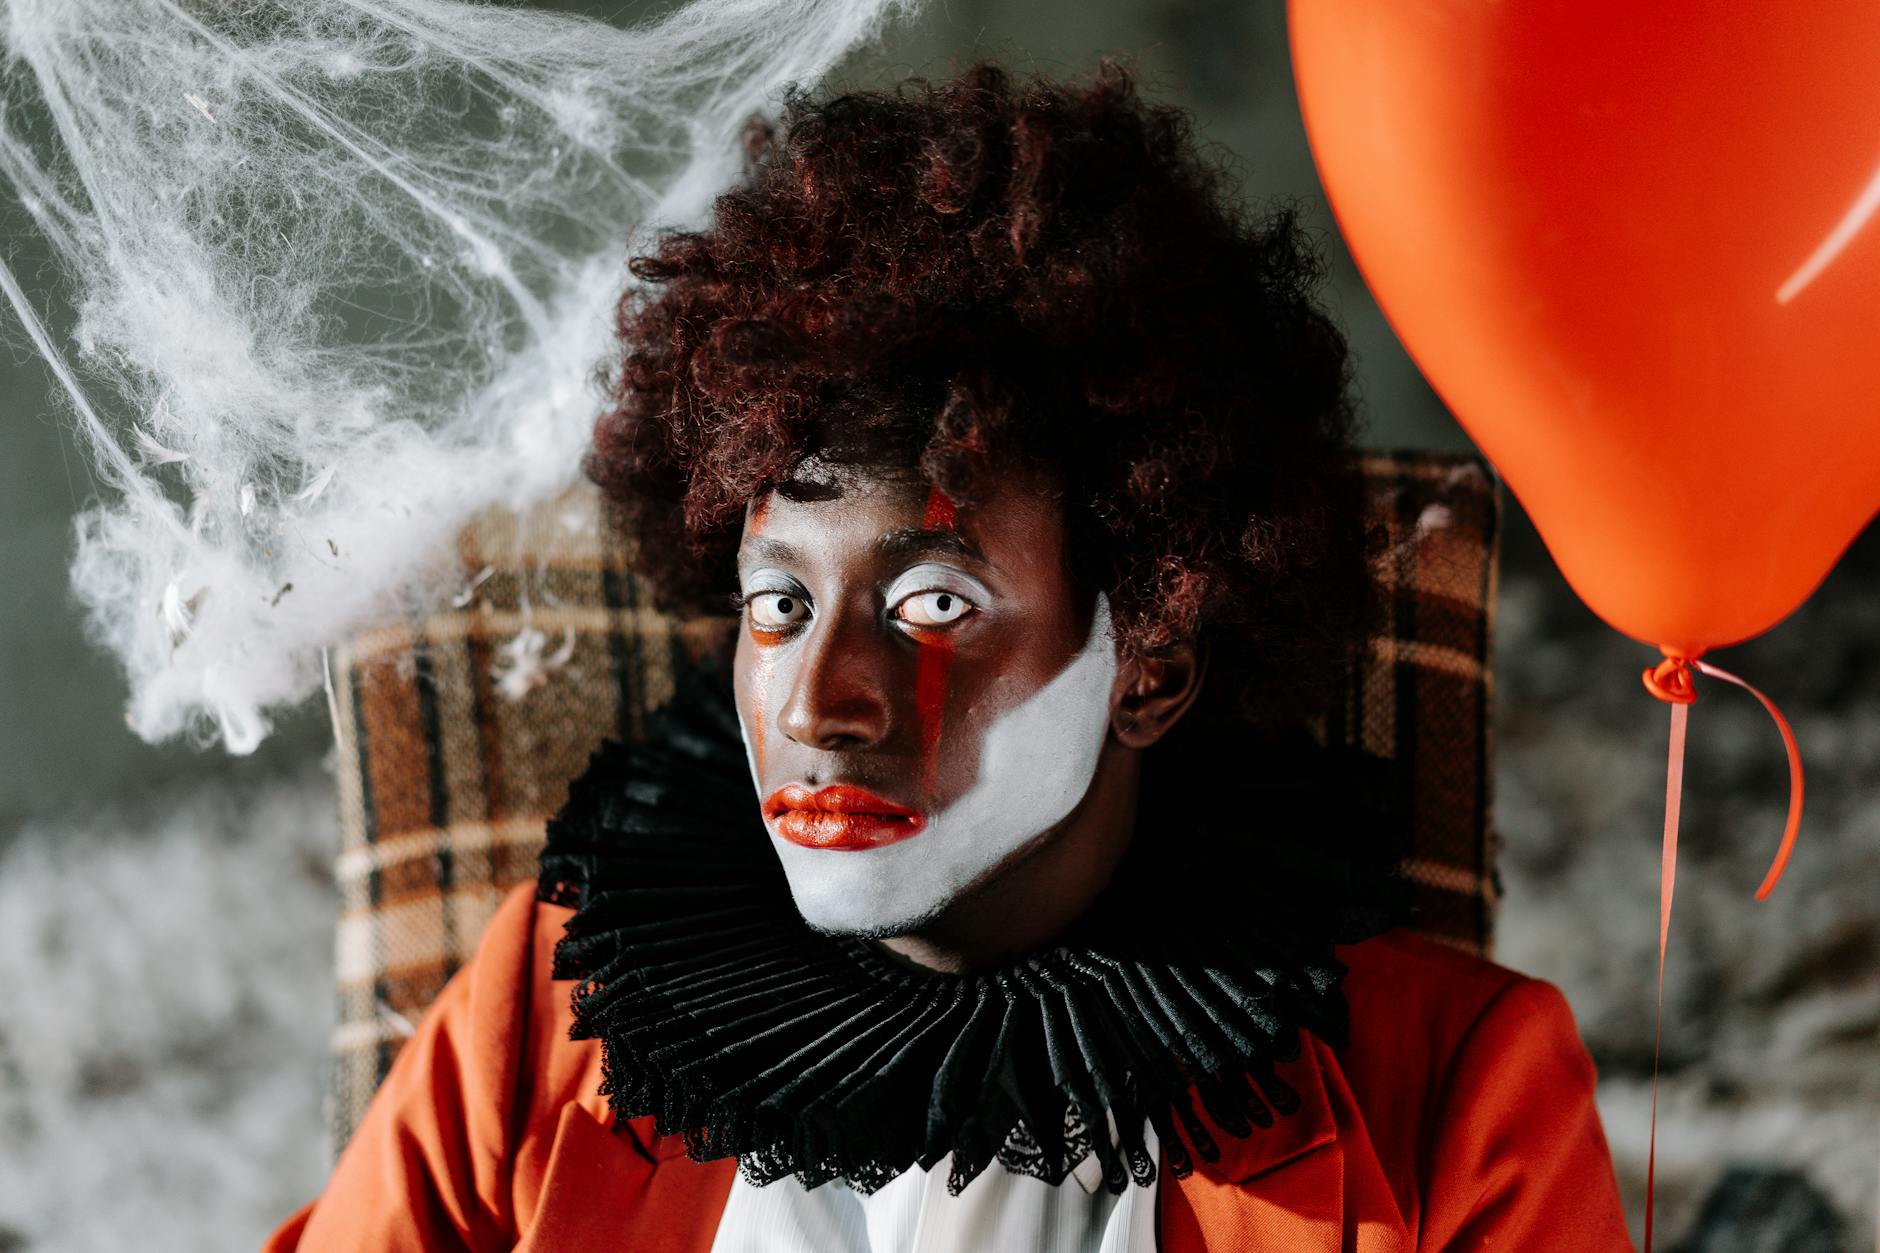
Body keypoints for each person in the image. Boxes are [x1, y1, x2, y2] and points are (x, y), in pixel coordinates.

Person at [265, 60, 1633, 1252]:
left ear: (1148, 660)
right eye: (778, 606)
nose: (820, 703)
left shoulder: (1456, 1097)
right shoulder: (544, 1010)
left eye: (933, 608)